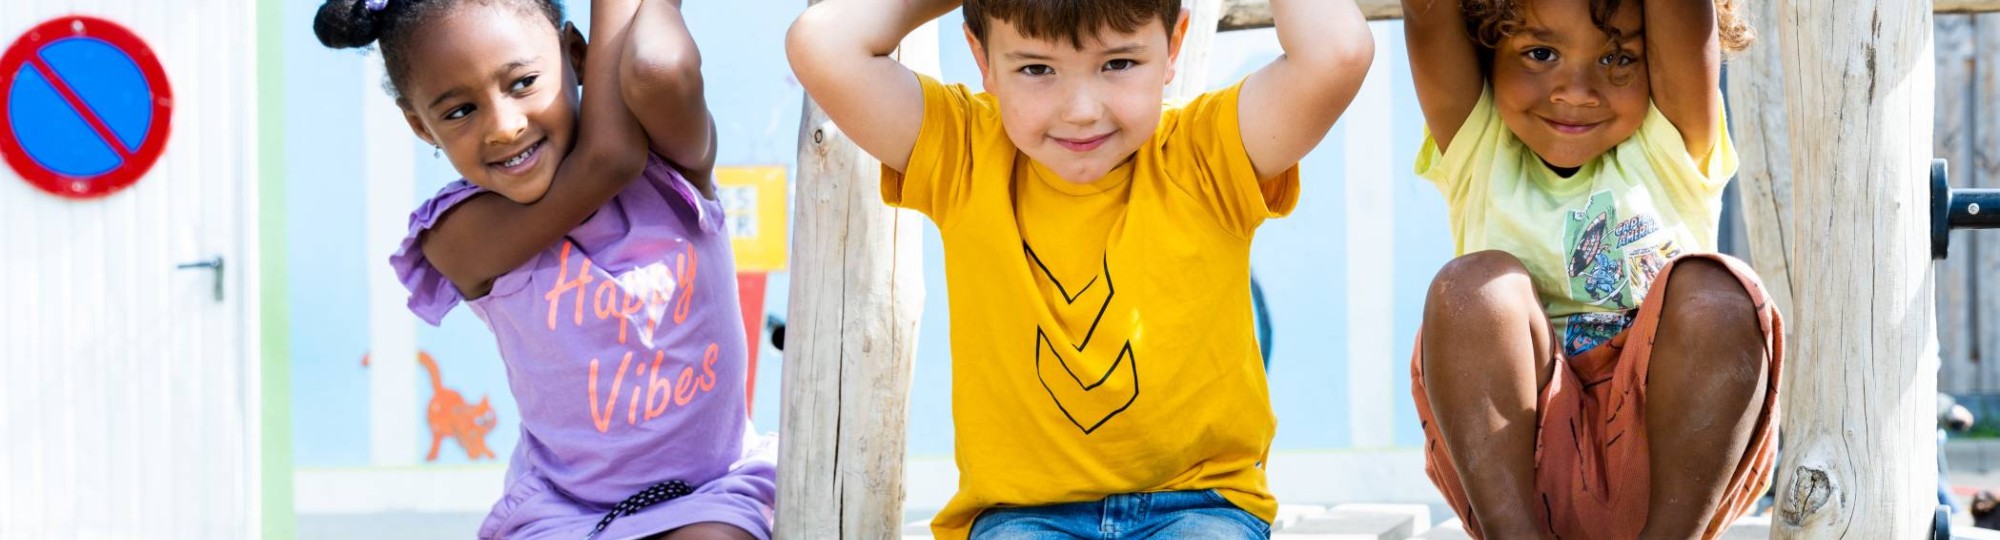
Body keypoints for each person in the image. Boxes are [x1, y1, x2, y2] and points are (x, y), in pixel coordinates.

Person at [786, 0, 1374, 538]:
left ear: (1172, 48)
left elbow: (1339, 53)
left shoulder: (1207, 155)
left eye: (1117, 62)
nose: (1082, 110)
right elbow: (821, 42)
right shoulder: (962, 153)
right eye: (1037, 70)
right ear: (982, 59)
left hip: (1199, 506)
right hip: (1022, 518)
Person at [312, 0, 774, 536]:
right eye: (459, 111)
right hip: (566, 514)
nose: (504, 127)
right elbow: (609, 159)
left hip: (711, 492)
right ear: (420, 126)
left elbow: (657, 69)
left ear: (576, 54)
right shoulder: (458, 235)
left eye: (523, 82)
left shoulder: (671, 166)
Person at [1400, 0, 1780, 537]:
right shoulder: (1479, 149)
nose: (1576, 90)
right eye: (1540, 53)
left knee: (1716, 290)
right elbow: (1427, 11)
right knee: (1472, 288)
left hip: (1672, 472)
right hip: (1518, 478)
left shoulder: (1670, 141)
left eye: (1618, 59)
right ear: (1483, 46)